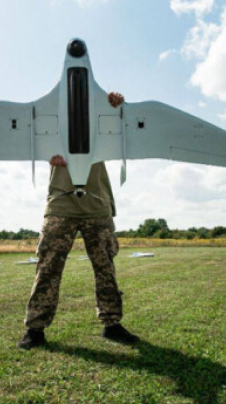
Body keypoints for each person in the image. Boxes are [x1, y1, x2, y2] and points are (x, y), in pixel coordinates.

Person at [18, 91, 140, 349]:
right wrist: (47, 155)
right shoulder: (50, 116)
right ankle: (35, 329)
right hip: (61, 203)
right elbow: (30, 139)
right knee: (47, 266)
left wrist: (118, 107)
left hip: (96, 202)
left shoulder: (102, 114)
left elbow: (127, 130)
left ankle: (112, 324)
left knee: (105, 268)